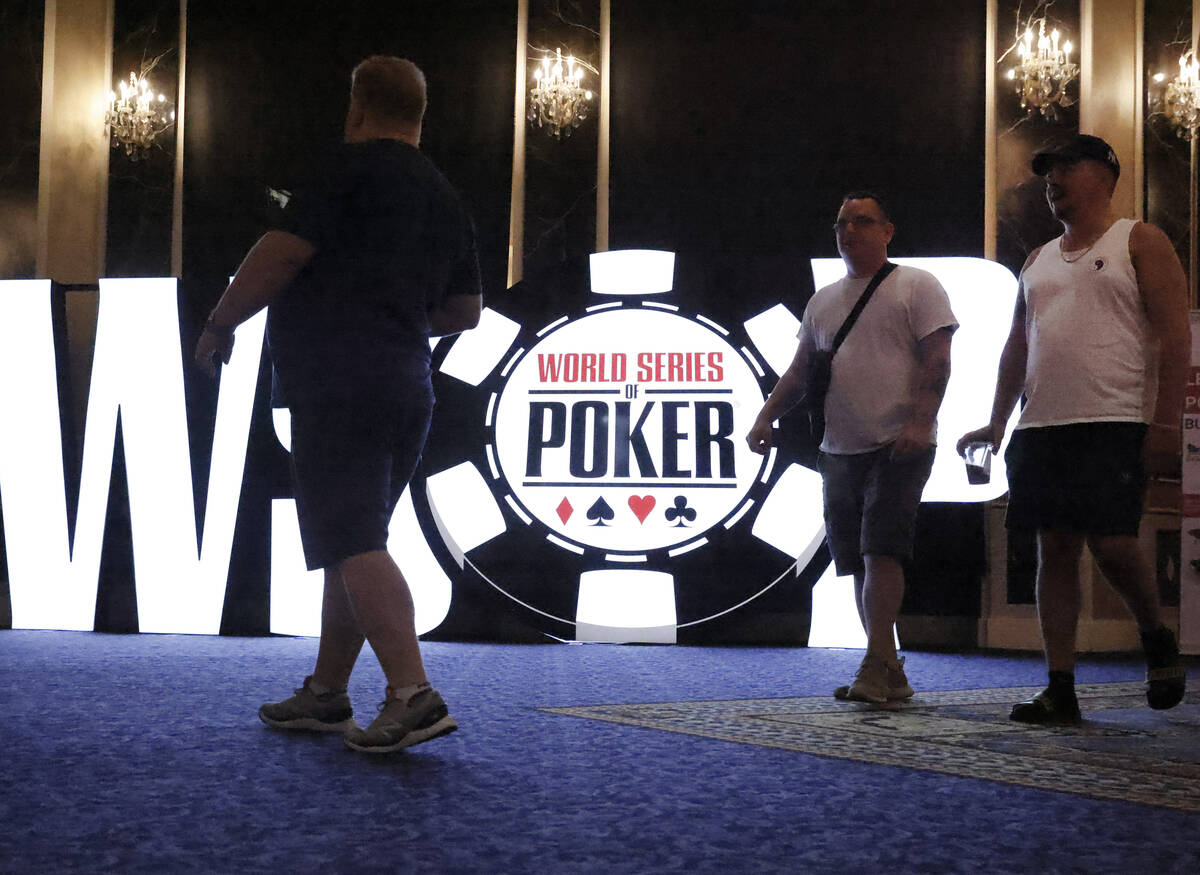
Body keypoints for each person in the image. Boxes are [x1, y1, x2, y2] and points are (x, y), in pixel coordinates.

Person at [194, 56, 482, 753]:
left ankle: (412, 694)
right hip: (407, 386)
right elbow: (467, 311)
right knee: (352, 541)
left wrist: (219, 322)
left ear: (357, 106)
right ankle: (327, 693)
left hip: (337, 383)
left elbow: (279, 253)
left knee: (353, 540)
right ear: (420, 114)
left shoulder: (344, 170)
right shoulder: (444, 193)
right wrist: (393, 317)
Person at [958, 134, 1189, 724]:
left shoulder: (1139, 239)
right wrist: (995, 422)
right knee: (1054, 548)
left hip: (1115, 419)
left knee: (1112, 543)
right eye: (1047, 172)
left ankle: (1154, 633)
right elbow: (1017, 347)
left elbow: (1174, 336)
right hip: (1042, 424)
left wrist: (1166, 422)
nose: (1052, 180)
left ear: (1103, 176)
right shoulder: (1036, 259)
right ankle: (1060, 686)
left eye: (1065, 168)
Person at [747, 193, 957, 702]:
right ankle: (889, 668)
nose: (849, 231)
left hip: (898, 443)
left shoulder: (917, 285)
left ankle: (873, 665)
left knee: (880, 549)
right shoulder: (823, 301)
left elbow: (938, 361)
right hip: (838, 447)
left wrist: (920, 421)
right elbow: (800, 371)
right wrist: (765, 415)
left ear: (888, 230)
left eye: (862, 221)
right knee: (857, 560)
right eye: (842, 223)